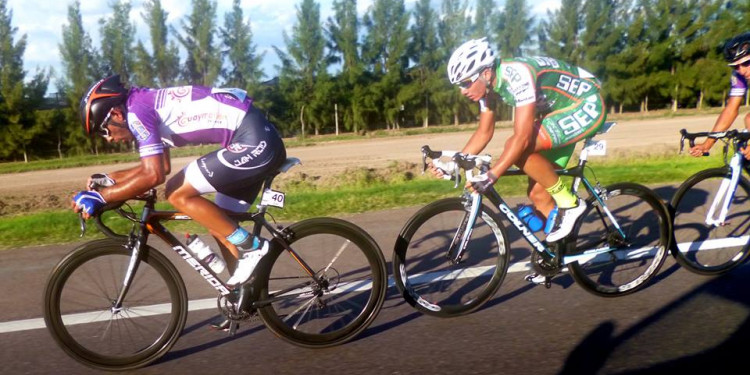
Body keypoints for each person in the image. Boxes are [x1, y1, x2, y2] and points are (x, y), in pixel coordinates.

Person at [72, 75, 287, 292]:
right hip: (254, 137)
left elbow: (154, 175)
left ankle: (252, 247)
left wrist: (102, 197)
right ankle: (244, 297)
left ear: (116, 114)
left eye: (104, 130)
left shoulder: (138, 113)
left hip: (254, 141)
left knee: (176, 192)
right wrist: (110, 180)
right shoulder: (141, 105)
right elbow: (161, 167)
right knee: (220, 223)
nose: (108, 139)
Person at [439, 38, 607, 243]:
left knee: (516, 147)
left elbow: (522, 138)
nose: (463, 90)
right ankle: (555, 259)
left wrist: (492, 175)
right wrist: (454, 163)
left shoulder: (518, 75)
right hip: (558, 113)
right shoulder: (488, 88)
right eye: (459, 85)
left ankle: (571, 204)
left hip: (585, 105)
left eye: (465, 83)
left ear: (486, 73)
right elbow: (484, 132)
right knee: (538, 195)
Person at [689, 32, 750, 158]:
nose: (741, 70)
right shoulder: (739, 76)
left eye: (745, 63)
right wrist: (707, 144)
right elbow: (731, 110)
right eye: (736, 66)